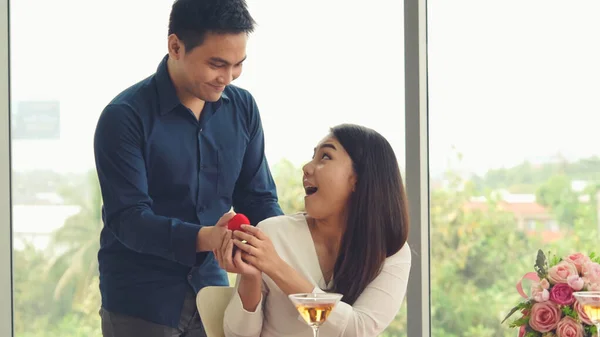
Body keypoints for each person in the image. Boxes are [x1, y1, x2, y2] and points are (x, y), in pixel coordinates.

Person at [93, 0, 283, 336]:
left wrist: (287, 252)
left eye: (238, 65)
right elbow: (129, 219)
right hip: (141, 301)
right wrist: (209, 237)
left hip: (214, 291)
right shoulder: (124, 117)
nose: (227, 77)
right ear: (175, 46)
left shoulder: (243, 109)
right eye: (216, 64)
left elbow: (258, 199)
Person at [216, 124, 412, 337]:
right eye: (313, 157)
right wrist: (252, 278)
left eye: (325, 157)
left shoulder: (391, 251)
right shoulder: (272, 233)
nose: (307, 167)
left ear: (358, 179)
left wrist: (277, 268)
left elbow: (358, 329)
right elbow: (237, 335)